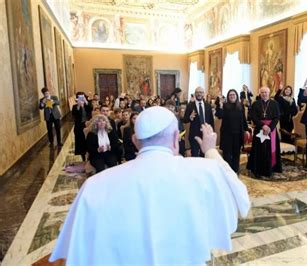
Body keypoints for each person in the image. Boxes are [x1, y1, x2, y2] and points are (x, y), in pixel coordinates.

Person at [49, 106, 250, 265]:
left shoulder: (94, 186)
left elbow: (79, 253)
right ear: (174, 138)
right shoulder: (204, 171)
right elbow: (241, 200)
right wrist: (211, 151)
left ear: (135, 141)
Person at [247, 86, 282, 178]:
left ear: (269, 93)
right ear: (260, 93)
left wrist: (270, 127)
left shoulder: (274, 104)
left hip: (271, 130)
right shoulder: (256, 104)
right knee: (260, 149)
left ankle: (272, 168)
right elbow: (253, 117)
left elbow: (277, 117)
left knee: (271, 149)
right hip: (260, 129)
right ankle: (258, 169)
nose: (264, 94)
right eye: (262, 92)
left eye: (266, 92)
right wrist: (262, 126)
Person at [215, 89, 249, 173]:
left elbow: (244, 119)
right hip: (227, 135)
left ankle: (235, 171)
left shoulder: (240, 106)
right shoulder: (225, 106)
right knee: (227, 154)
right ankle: (227, 172)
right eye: (230, 95)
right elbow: (219, 115)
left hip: (238, 134)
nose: (232, 96)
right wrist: (220, 106)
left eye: (233, 94)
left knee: (236, 154)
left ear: (236, 96)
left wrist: (246, 130)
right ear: (228, 96)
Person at [183, 87, 214, 157]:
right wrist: (190, 117)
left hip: (206, 135)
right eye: (197, 92)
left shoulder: (208, 105)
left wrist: (212, 133)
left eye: (201, 92)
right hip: (194, 135)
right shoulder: (190, 105)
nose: (199, 94)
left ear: (203, 94)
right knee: (195, 155)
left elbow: (211, 120)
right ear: (195, 94)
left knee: (204, 155)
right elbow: (185, 120)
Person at [72, 92, 92, 161]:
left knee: (89, 141)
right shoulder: (75, 106)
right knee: (80, 143)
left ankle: (89, 156)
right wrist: (78, 106)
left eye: (82, 97)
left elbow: (91, 108)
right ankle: (83, 157)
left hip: (88, 125)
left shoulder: (87, 104)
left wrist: (86, 102)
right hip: (79, 127)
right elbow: (74, 115)